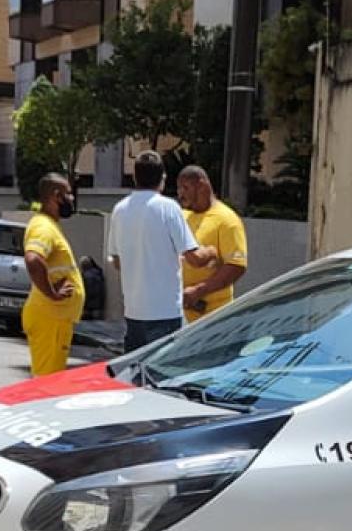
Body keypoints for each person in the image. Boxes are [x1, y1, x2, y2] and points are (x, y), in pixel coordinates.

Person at [107, 150, 203, 350]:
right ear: (163, 178)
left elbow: (117, 262)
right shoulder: (169, 208)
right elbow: (194, 257)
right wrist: (211, 253)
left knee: (135, 374)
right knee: (163, 374)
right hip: (165, 311)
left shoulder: (119, 209)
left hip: (134, 310)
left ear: (135, 177)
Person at [22, 173, 85, 378]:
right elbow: (33, 259)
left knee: (48, 380)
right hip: (51, 320)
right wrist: (52, 293)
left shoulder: (49, 225)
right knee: (45, 383)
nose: (72, 199)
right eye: (68, 194)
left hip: (55, 321)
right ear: (56, 196)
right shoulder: (43, 227)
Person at [176, 164, 247, 322]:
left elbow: (236, 266)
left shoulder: (227, 220)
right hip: (180, 314)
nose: (180, 194)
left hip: (213, 317)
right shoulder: (183, 216)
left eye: (185, 188)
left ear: (201, 186)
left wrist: (198, 291)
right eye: (178, 189)